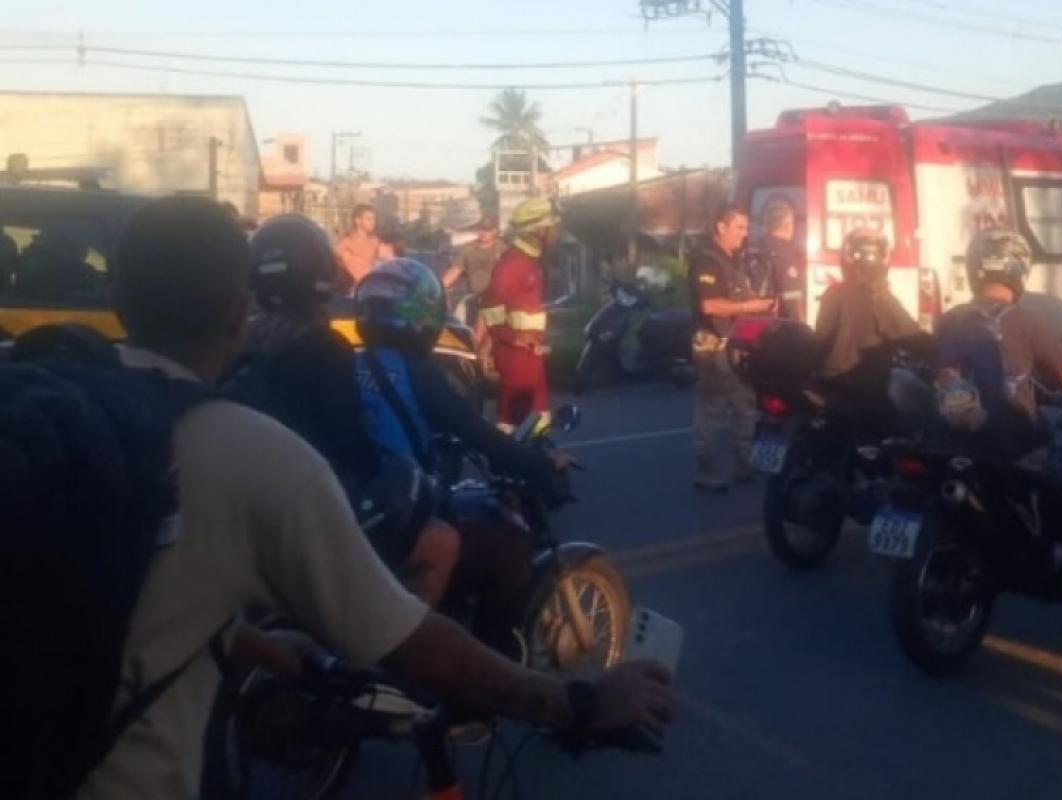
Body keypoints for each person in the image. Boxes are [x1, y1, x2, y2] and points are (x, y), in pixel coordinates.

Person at [76, 196, 673, 800]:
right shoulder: (251, 446)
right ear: (237, 311)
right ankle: (394, 691)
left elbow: (169, 608)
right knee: (445, 542)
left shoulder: (77, 403)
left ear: (116, 303)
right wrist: (581, 702)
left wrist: (268, 651)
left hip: (51, 754)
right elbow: (406, 630)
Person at [224, 214, 459, 604]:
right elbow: (351, 450)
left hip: (251, 513)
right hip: (306, 519)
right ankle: (390, 638)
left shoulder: (243, 341)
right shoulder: (324, 348)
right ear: (320, 276)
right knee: (442, 541)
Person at [354, 258, 575, 656]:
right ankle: (490, 661)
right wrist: (542, 465)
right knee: (510, 544)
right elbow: (479, 434)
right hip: (403, 519)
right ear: (423, 318)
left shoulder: (354, 364)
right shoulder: (417, 372)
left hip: (362, 509)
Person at [935, 228, 1062, 597]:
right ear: (1018, 271)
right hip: (1015, 442)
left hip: (955, 438)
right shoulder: (1026, 320)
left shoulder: (949, 319)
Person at [689, 204, 776, 491]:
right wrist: (750, 306)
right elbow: (710, 305)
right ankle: (704, 469)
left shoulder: (732, 260)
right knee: (711, 407)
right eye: (739, 227)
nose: (745, 234)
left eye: (746, 228)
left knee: (744, 403)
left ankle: (743, 463)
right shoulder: (706, 261)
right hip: (713, 344)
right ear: (721, 227)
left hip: (737, 343)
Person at [813, 229, 928, 432]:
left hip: (829, 389)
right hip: (866, 397)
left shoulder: (832, 293)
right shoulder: (881, 299)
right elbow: (913, 339)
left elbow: (820, 341)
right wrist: (940, 347)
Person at [481, 198, 559, 431]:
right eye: (551, 227)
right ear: (536, 231)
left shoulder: (530, 261)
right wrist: (513, 338)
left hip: (530, 353)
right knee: (515, 422)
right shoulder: (514, 263)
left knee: (535, 418)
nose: (556, 232)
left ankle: (536, 448)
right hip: (516, 355)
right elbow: (491, 307)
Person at [442, 214, 504, 324]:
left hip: (496, 302)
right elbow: (455, 271)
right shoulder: (467, 248)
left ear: (494, 231)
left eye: (487, 230)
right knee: (471, 328)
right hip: (474, 299)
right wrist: (440, 287)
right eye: (481, 229)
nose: (483, 233)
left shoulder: (502, 249)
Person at [759, 197, 807, 322]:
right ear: (788, 224)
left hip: (752, 320)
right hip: (775, 323)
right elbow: (792, 298)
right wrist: (801, 329)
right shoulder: (786, 252)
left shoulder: (755, 246)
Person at [335, 203, 381, 286]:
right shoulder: (346, 243)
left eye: (374, 219)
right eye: (369, 219)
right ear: (358, 221)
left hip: (371, 285)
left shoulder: (375, 242)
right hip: (351, 286)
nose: (373, 222)